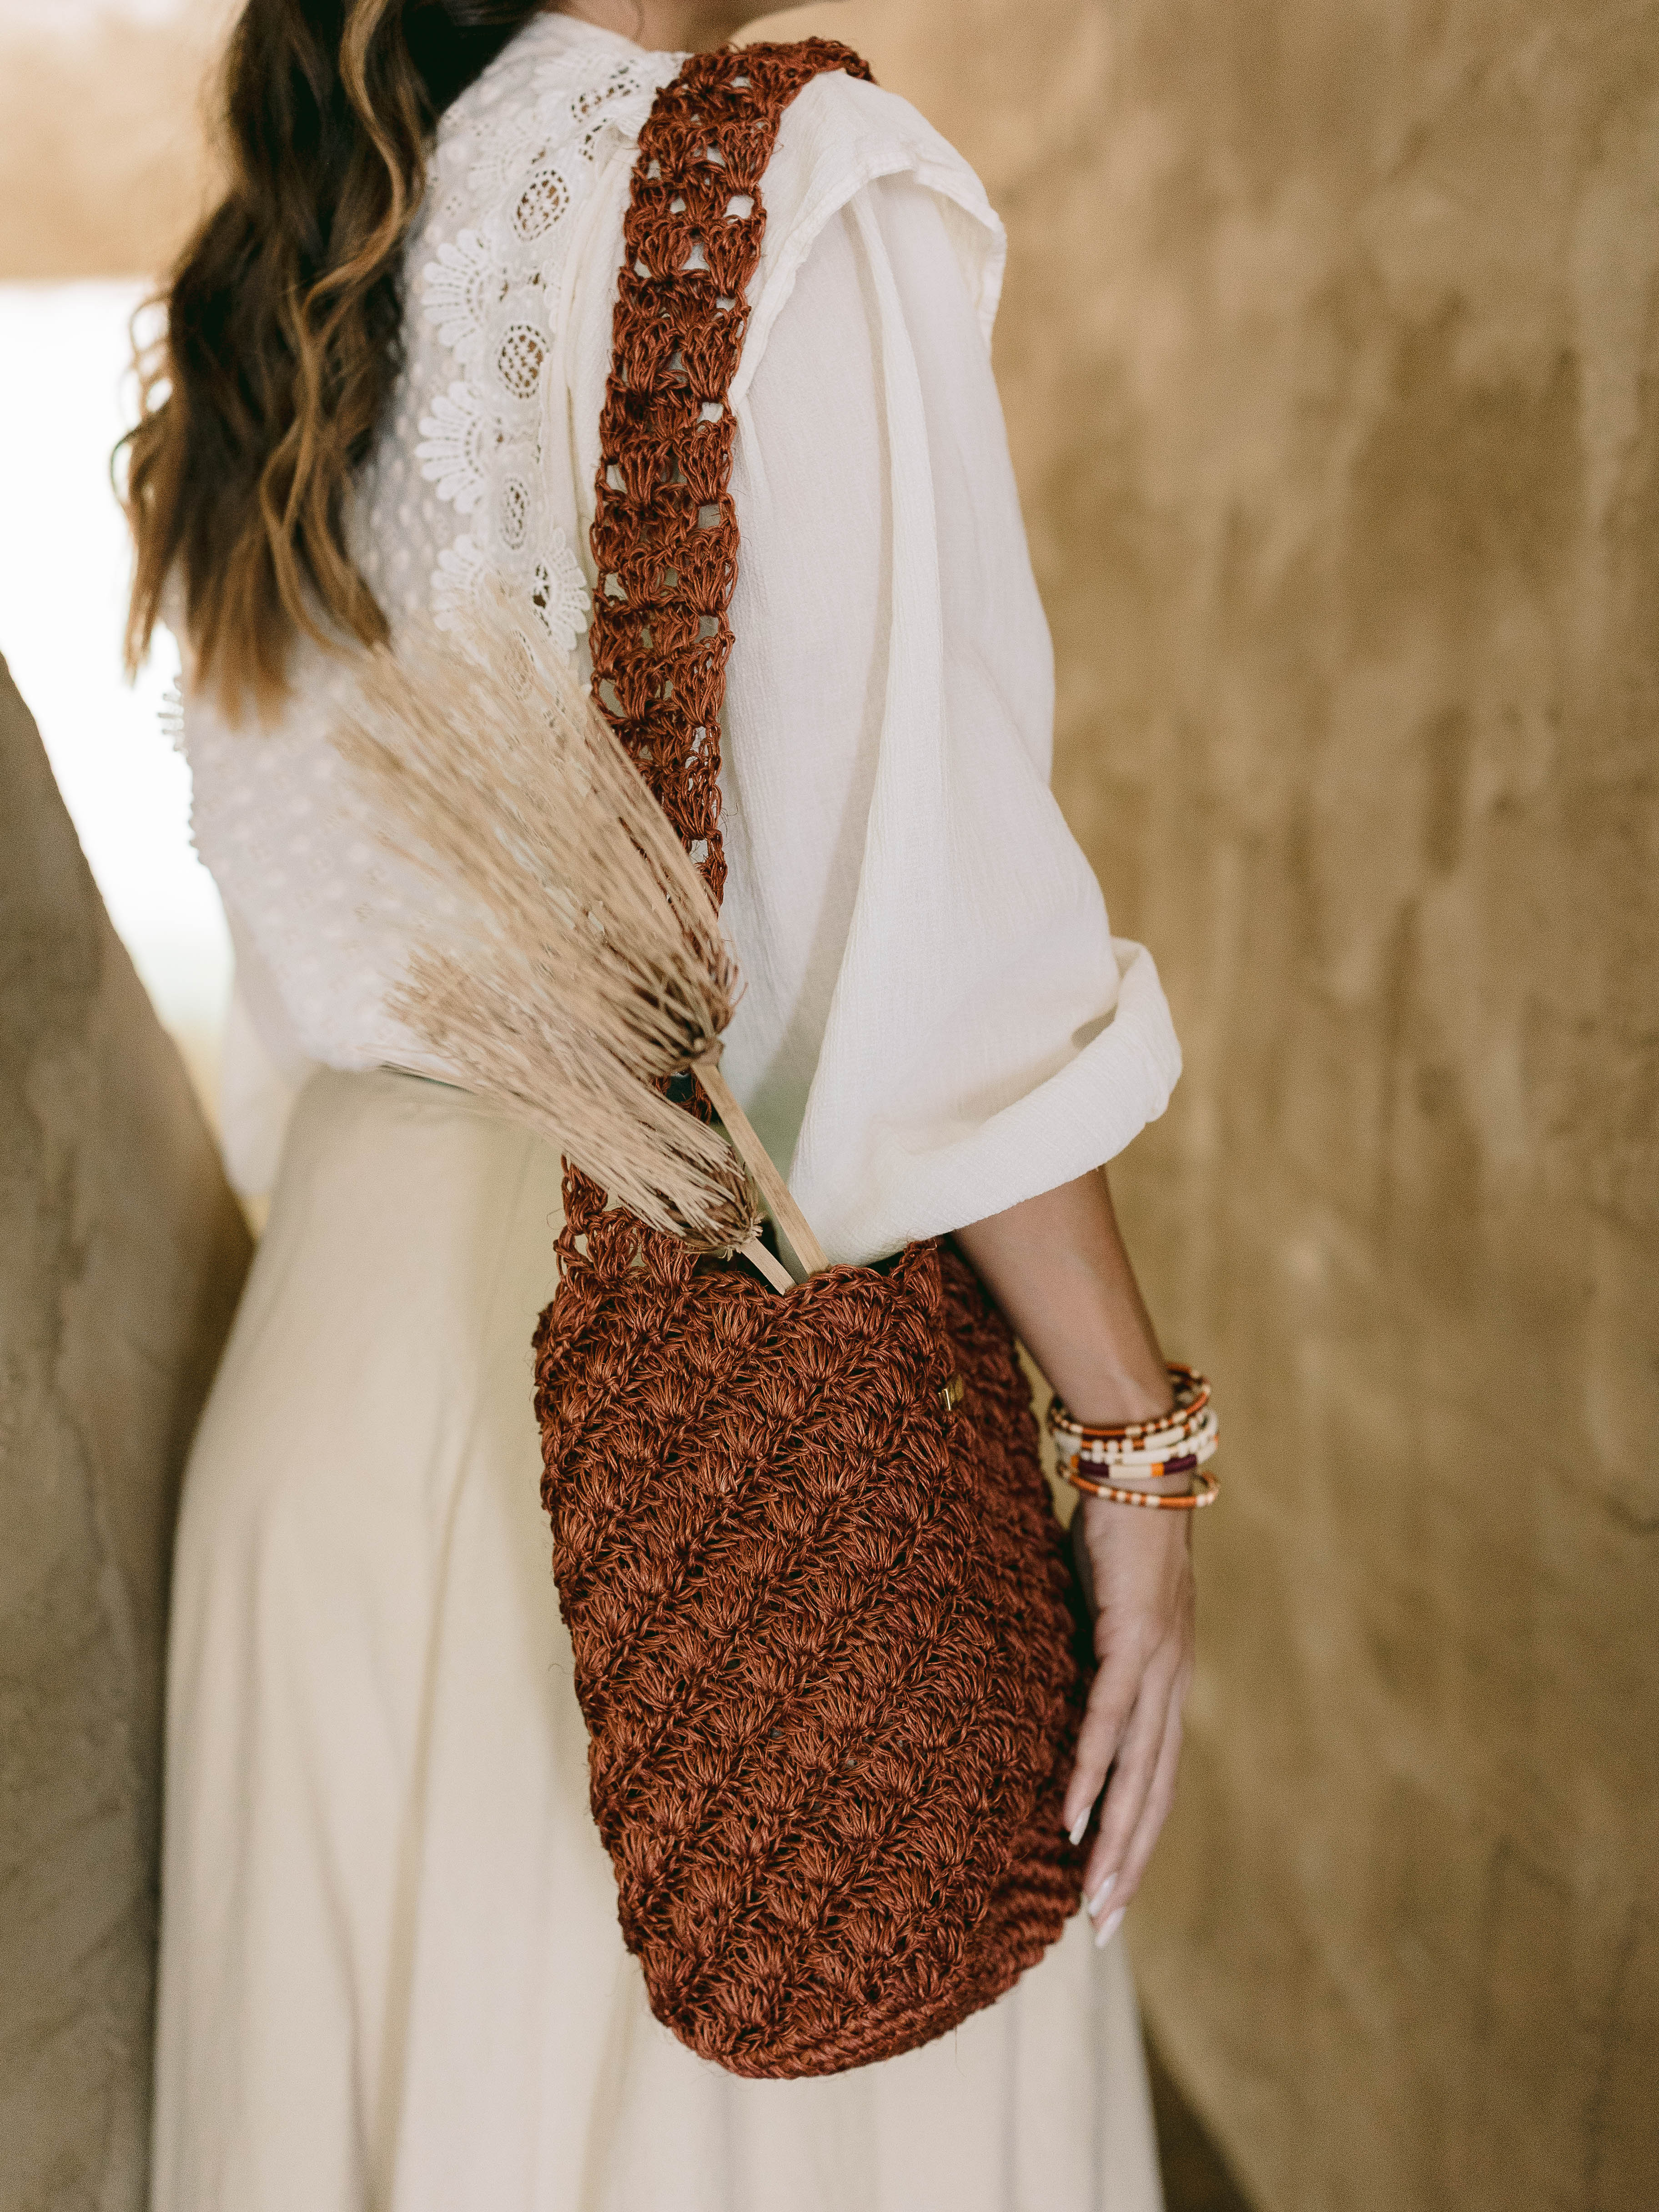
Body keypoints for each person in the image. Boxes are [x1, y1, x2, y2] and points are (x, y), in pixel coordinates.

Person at [123, 2, 1196, 2206]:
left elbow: (281, 980)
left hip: (323, 1411)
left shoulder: (291, 273)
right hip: (697, 1475)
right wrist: (1140, 1450)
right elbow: (932, 967)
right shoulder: (778, 191)